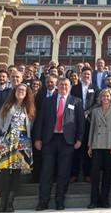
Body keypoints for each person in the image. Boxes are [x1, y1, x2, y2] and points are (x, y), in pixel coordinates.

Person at [34, 77, 85, 211]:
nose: (64, 87)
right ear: (57, 86)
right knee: (46, 171)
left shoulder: (77, 101)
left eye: (66, 85)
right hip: (49, 140)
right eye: (61, 84)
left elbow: (81, 123)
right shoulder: (48, 101)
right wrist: (38, 138)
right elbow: (40, 121)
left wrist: (79, 139)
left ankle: (59, 201)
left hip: (67, 141)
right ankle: (43, 202)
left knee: (63, 172)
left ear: (70, 87)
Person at [0, 83, 35, 212]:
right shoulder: (7, 105)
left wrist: (22, 135)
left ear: (27, 93)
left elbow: (31, 124)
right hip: (7, 139)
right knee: (5, 172)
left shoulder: (30, 107)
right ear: (15, 91)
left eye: (23, 90)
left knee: (16, 173)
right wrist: (7, 133)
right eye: (19, 89)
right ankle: (2, 202)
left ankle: (10, 203)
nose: (21, 92)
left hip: (22, 141)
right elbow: (0, 121)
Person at [87, 89, 111, 209]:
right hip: (96, 144)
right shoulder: (95, 111)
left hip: (109, 145)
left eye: (107, 96)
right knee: (95, 174)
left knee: (107, 174)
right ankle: (94, 200)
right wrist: (90, 145)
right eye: (103, 96)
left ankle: (105, 200)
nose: (105, 98)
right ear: (100, 98)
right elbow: (92, 129)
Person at [70, 67, 99, 182]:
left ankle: (88, 174)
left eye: (88, 74)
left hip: (89, 121)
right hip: (76, 122)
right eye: (84, 74)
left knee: (88, 146)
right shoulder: (74, 88)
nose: (86, 76)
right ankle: (74, 174)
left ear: (90, 76)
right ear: (80, 75)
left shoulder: (95, 88)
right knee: (76, 147)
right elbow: (71, 101)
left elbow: (97, 103)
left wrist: (87, 112)